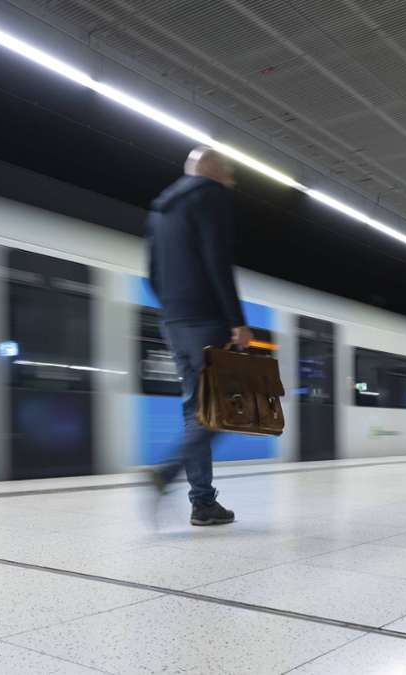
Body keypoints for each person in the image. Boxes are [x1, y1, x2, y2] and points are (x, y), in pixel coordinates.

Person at [145, 146, 250, 526]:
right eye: (229, 172)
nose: (232, 181)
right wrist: (236, 320)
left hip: (174, 321)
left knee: (196, 410)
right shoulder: (211, 197)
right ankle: (168, 471)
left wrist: (173, 311)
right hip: (206, 317)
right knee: (220, 411)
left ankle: (203, 503)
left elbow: (153, 271)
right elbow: (216, 259)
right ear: (213, 170)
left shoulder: (161, 208)